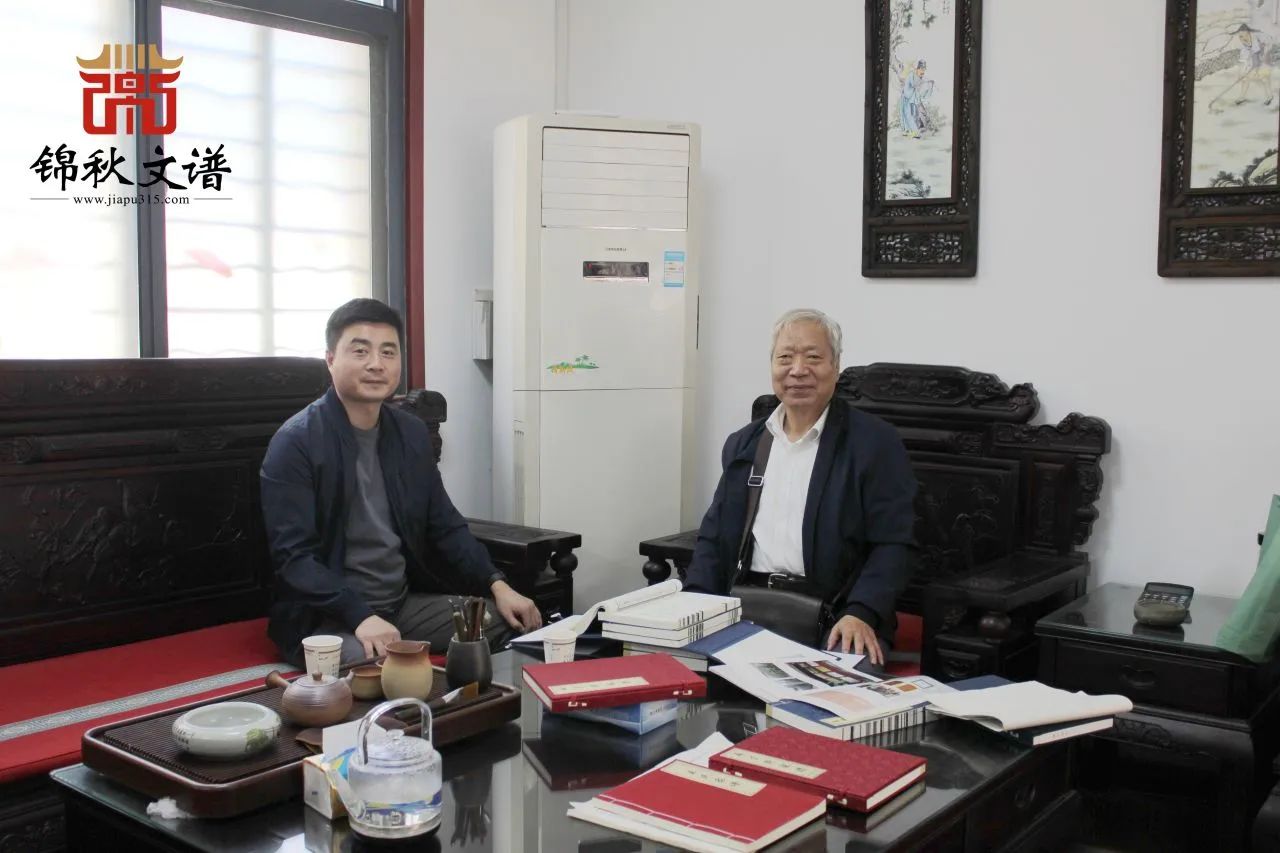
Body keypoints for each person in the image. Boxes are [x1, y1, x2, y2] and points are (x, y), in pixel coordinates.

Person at [261, 298, 542, 665]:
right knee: (374, 668)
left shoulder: (409, 433)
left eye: (388, 352)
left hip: (401, 605)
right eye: (360, 351)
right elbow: (294, 558)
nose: (376, 364)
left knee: (511, 622)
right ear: (330, 359)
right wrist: (360, 616)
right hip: (328, 618)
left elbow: (446, 525)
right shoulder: (296, 442)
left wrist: (497, 584)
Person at [682, 309, 916, 666]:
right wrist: (696, 602)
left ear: (836, 367)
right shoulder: (745, 444)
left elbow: (895, 543)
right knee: (680, 669)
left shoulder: (874, 443)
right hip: (749, 606)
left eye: (813, 357)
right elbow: (714, 538)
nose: (798, 370)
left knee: (838, 686)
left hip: (837, 615)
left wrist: (862, 611)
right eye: (785, 358)